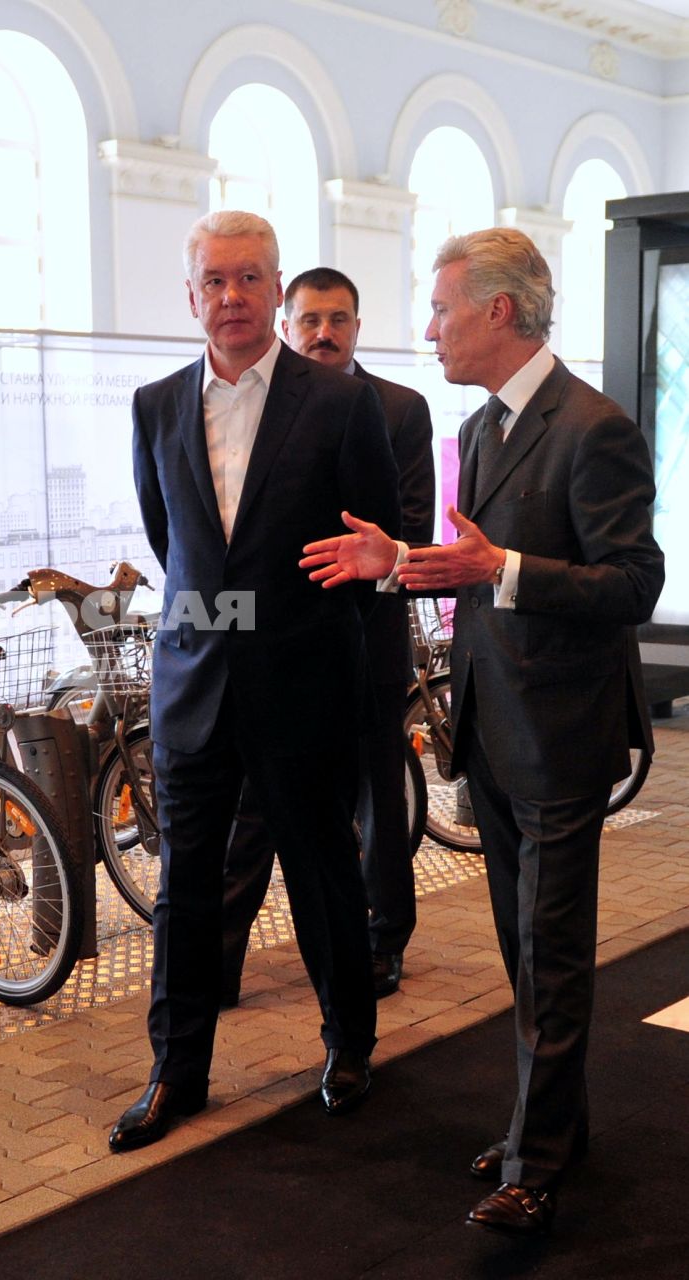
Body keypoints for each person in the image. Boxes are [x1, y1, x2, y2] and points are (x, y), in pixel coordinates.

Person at [300, 227, 665, 1235]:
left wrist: (497, 569)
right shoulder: (488, 428)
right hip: (496, 725)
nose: (428, 329)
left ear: (497, 312)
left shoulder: (591, 427)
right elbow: (475, 557)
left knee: (550, 950)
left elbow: (633, 582)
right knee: (522, 945)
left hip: (558, 732)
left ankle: (536, 1161)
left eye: (441, 307)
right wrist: (396, 558)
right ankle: (547, 1124)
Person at [108, 211, 400, 1155]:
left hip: (304, 685)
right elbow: (174, 545)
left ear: (277, 291)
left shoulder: (341, 403)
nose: (231, 298)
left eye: (249, 280)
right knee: (185, 890)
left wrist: (308, 642)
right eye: (213, 281)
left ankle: (349, 1045)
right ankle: (174, 1074)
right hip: (193, 686)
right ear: (189, 296)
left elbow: (373, 551)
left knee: (322, 876)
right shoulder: (156, 404)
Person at [222, 269, 435, 1004]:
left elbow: (400, 533)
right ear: (286, 325)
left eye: (338, 319)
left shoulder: (401, 409)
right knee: (255, 803)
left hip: (364, 638)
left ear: (356, 326)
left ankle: (382, 942)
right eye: (310, 319)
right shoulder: (255, 407)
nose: (323, 333)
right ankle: (219, 955)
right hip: (271, 645)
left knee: (376, 794)